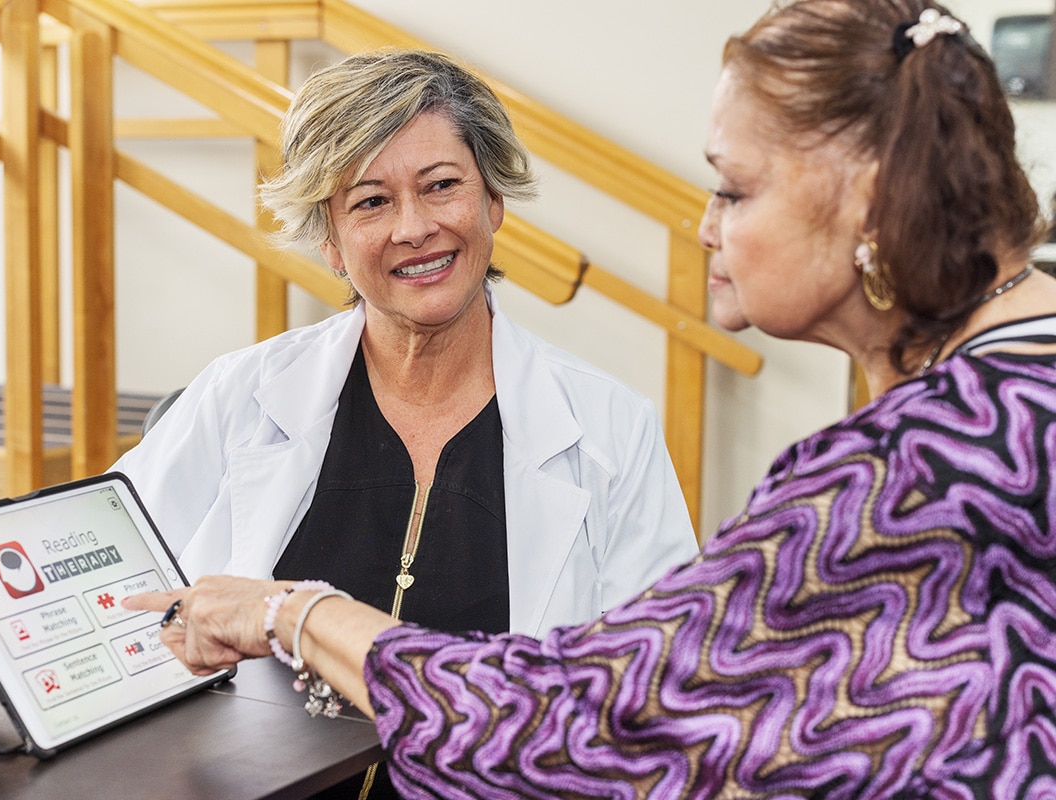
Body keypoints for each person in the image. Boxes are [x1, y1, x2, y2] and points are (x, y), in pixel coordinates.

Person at [126, 1, 1056, 794]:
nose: (702, 229)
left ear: (866, 203)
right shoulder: (1005, 399)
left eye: (731, 191)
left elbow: (606, 717)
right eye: (369, 202)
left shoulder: (915, 471)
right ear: (327, 236)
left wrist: (292, 613)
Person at [113, 48, 698, 798]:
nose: (414, 227)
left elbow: (658, 695)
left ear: (493, 203)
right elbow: (109, 595)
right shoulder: (240, 395)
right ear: (328, 239)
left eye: (441, 186)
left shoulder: (610, 428)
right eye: (369, 202)